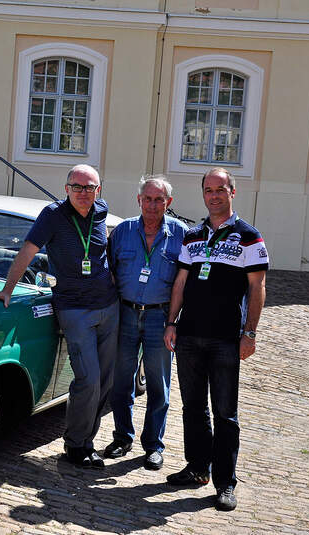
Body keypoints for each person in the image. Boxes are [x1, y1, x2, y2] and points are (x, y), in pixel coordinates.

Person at [0, 164, 118, 468]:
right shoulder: (52, 215)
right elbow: (27, 252)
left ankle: (86, 442)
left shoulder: (101, 211)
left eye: (90, 187)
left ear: (99, 190)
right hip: (74, 309)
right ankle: (75, 445)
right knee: (89, 379)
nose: (84, 193)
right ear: (66, 188)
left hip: (109, 307)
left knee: (106, 381)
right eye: (77, 187)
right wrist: (7, 289)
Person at [163, 167, 268, 512]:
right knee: (193, 408)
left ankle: (225, 482)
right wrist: (171, 322)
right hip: (190, 335)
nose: (213, 195)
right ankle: (197, 468)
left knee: (225, 413)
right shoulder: (193, 235)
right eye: (208, 190)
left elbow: (257, 288)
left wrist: (249, 332)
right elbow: (180, 281)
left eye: (220, 189)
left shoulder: (249, 236)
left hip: (225, 339)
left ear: (231, 192)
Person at [103, 175, 188, 471]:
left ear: (169, 203)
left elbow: (185, 281)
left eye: (159, 199)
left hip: (160, 317)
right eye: (147, 199)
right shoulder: (123, 231)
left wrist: (174, 322)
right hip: (125, 314)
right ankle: (122, 437)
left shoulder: (181, 234)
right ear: (138, 200)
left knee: (158, 385)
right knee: (121, 382)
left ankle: (153, 445)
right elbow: (109, 272)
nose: (153, 205)